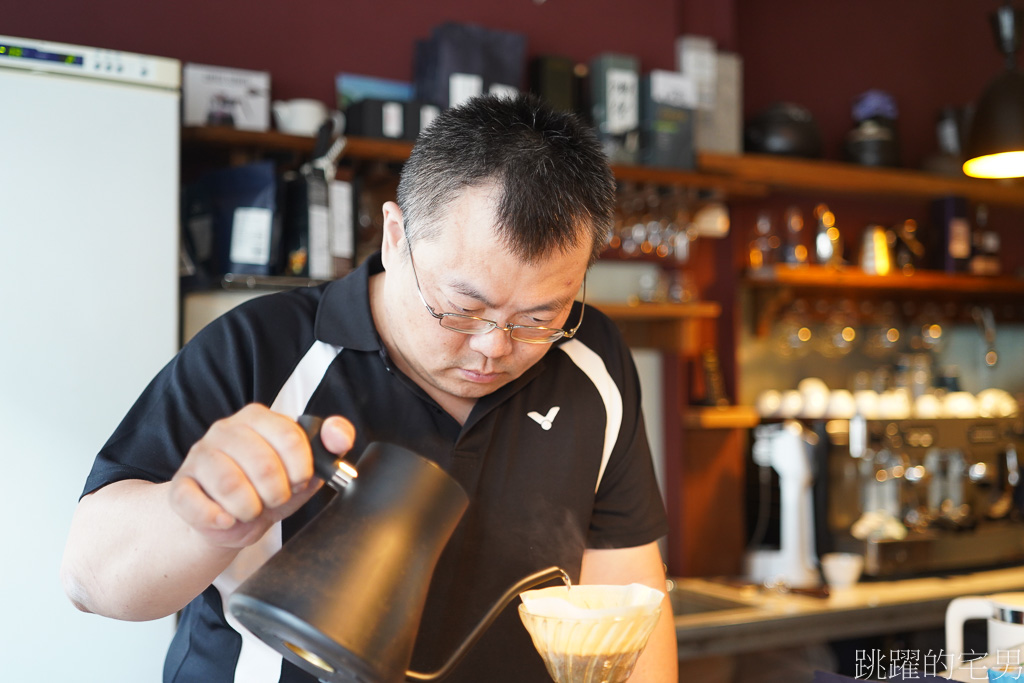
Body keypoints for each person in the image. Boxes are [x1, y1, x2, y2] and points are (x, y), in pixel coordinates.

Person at [61, 93, 677, 683]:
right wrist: (205, 522)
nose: (495, 346)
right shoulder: (261, 349)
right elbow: (89, 578)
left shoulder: (592, 357)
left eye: (539, 317)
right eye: (461, 308)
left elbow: (627, 597)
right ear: (394, 235)